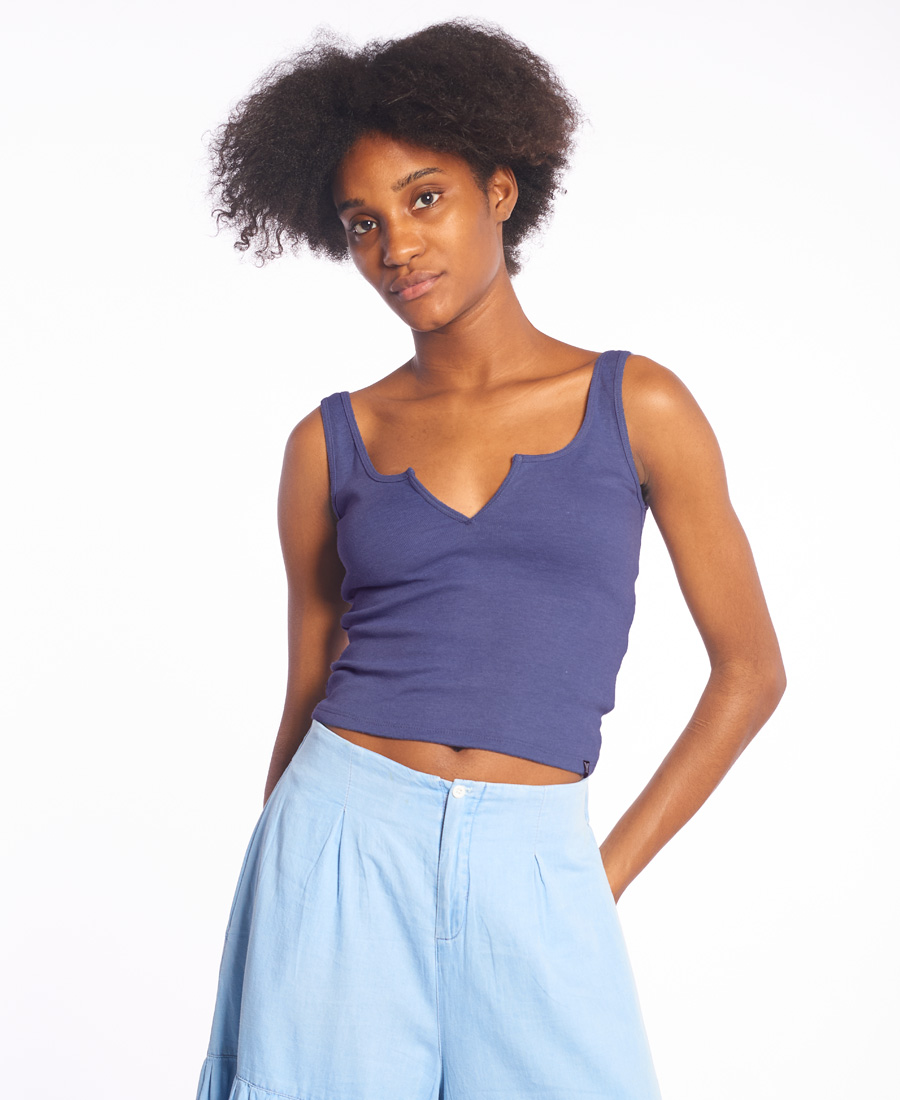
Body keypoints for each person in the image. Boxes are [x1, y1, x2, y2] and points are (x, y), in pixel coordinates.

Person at [194, 18, 786, 1100]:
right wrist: (282, 888)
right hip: (339, 841)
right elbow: (308, 684)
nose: (397, 247)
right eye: (364, 223)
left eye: (425, 199)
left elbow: (751, 671)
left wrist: (591, 876)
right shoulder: (328, 442)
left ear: (501, 190)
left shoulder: (638, 405)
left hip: (537, 855)